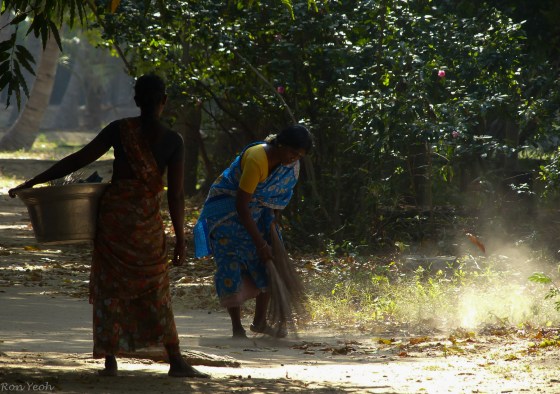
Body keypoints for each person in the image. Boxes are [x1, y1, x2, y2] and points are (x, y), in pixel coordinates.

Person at [8, 73, 208, 378]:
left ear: (136, 100)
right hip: (147, 226)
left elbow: (79, 159)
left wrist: (35, 181)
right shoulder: (173, 141)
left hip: (114, 221)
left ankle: (110, 359)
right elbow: (177, 195)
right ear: (163, 101)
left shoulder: (120, 129)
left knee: (109, 288)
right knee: (156, 289)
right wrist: (181, 238)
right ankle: (175, 359)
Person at [194, 124, 313, 338]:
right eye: (292, 152)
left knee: (269, 262)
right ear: (281, 144)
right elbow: (241, 205)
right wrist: (260, 243)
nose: (293, 158)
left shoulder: (291, 166)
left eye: (298, 156)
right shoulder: (258, 159)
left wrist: (270, 232)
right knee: (231, 261)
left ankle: (260, 322)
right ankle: (237, 328)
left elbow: (274, 200)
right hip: (226, 212)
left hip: (257, 212)